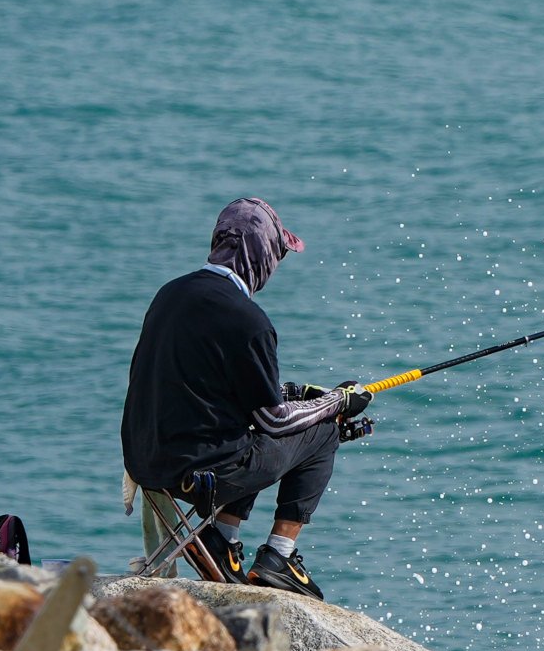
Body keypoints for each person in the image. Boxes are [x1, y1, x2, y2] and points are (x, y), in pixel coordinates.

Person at [121, 196, 366, 595]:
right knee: (323, 431)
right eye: (276, 256)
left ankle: (222, 542)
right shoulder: (249, 321)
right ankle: (279, 556)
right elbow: (275, 421)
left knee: (249, 424)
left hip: (148, 464)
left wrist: (292, 393)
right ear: (260, 255)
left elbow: (201, 388)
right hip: (202, 477)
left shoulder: (170, 295)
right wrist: (337, 403)